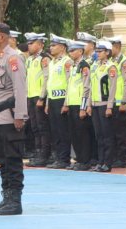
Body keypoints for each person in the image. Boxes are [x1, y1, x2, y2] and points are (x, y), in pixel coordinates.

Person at [0, 22, 28, 216]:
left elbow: (20, 89)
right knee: (2, 160)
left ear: (1, 37)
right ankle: (6, 197)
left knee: (13, 159)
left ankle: (15, 201)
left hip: (9, 117)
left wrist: (20, 115)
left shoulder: (13, 58)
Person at [39, 34, 73, 169]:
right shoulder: (52, 62)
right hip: (53, 99)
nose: (51, 48)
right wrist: (47, 102)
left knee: (63, 131)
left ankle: (64, 159)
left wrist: (66, 103)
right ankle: (58, 157)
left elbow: (69, 83)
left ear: (62, 47)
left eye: (54, 45)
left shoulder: (67, 61)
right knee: (55, 131)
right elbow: (50, 84)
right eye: (51, 45)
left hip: (61, 99)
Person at [87, 40, 118, 172]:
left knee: (107, 135)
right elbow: (91, 86)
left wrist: (110, 106)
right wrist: (89, 104)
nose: (98, 53)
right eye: (97, 51)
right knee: (98, 135)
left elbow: (113, 88)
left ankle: (107, 162)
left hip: (105, 104)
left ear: (107, 52)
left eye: (101, 51)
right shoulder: (94, 66)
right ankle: (100, 161)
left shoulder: (111, 67)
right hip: (95, 104)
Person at [65, 40, 93, 171]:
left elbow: (86, 88)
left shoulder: (84, 66)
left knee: (82, 134)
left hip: (79, 105)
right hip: (72, 103)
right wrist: (66, 103)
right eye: (69, 51)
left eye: (73, 50)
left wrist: (83, 107)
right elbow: (70, 86)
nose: (70, 53)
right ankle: (79, 159)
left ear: (80, 51)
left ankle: (85, 160)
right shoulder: (73, 66)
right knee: (74, 134)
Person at [24, 32, 51, 167]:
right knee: (34, 126)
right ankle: (38, 152)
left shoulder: (44, 58)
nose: (29, 45)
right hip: (30, 96)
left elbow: (47, 78)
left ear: (40, 44)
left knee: (42, 126)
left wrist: (42, 97)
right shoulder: (29, 59)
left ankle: (45, 154)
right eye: (28, 43)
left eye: (31, 43)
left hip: (39, 97)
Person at [107, 36, 126, 168]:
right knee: (112, 132)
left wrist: (123, 102)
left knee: (120, 133)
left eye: (110, 47)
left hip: (121, 103)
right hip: (112, 103)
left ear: (117, 47)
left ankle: (121, 159)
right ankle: (115, 157)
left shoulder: (124, 61)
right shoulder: (111, 61)